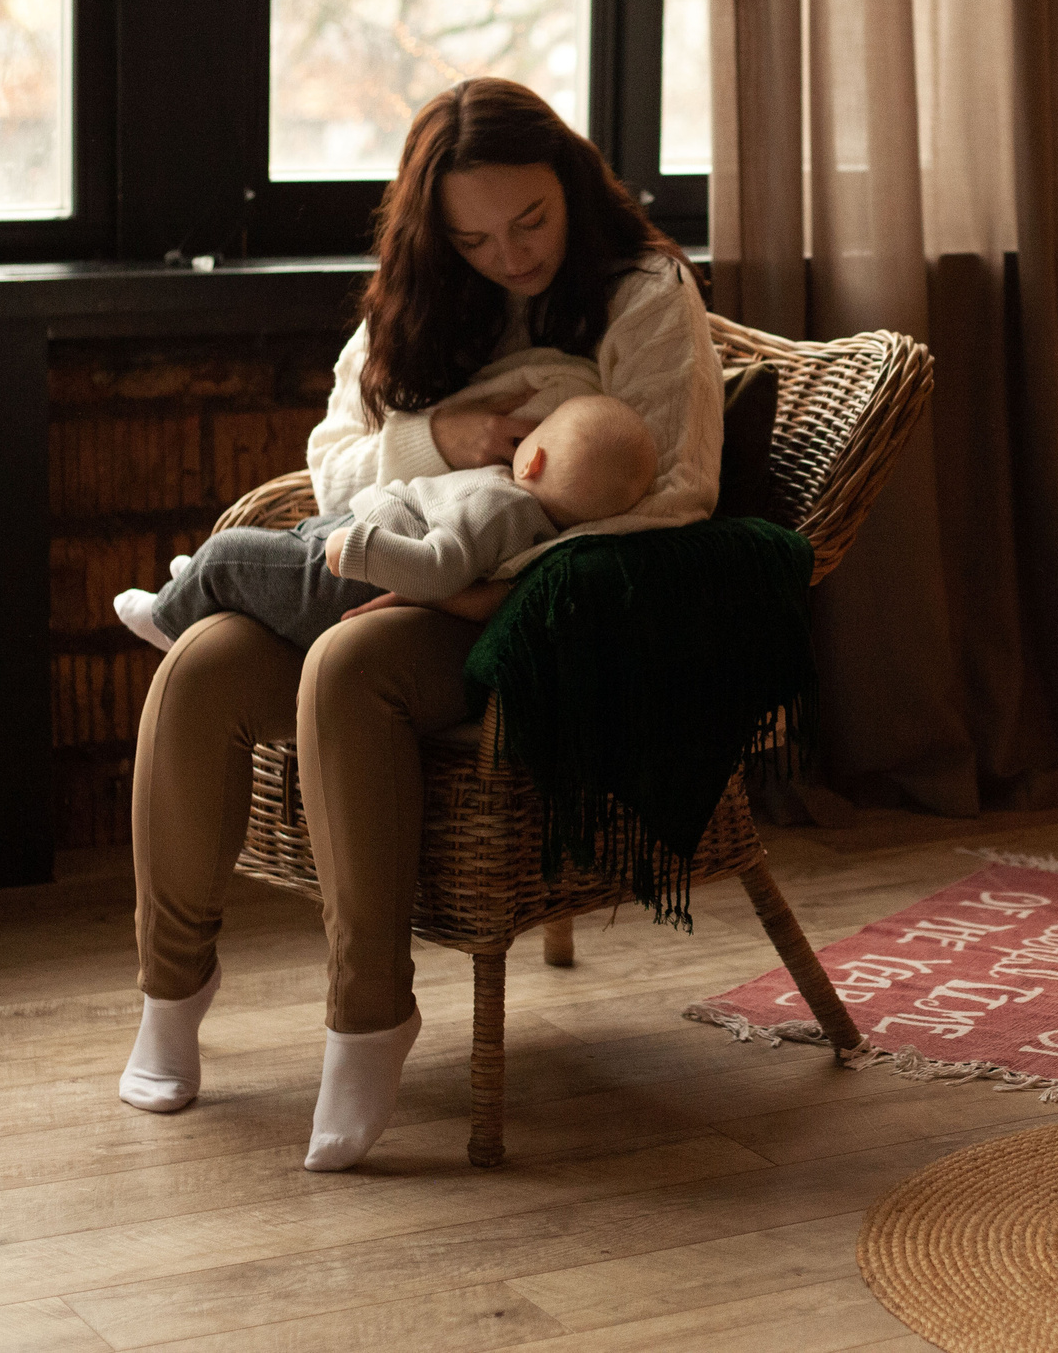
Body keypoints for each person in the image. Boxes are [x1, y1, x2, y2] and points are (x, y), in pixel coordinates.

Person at [116, 77, 724, 1171]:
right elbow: (331, 459)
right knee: (203, 659)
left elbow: (669, 497)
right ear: (435, 231)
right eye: (476, 235)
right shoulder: (419, 297)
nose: (513, 253)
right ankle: (171, 987)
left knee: (351, 665)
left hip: (533, 605)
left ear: (572, 184)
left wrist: (474, 586)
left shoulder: (643, 288)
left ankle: (368, 1012)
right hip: (387, 561)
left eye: (531, 220)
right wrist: (444, 437)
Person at [107, 371, 659, 655]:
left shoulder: (500, 506)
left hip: (350, 575)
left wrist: (363, 552)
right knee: (279, 542)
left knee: (232, 553)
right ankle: (203, 587)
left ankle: (168, 619)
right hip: (350, 531)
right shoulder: (526, 517)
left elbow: (437, 566)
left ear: (532, 457)